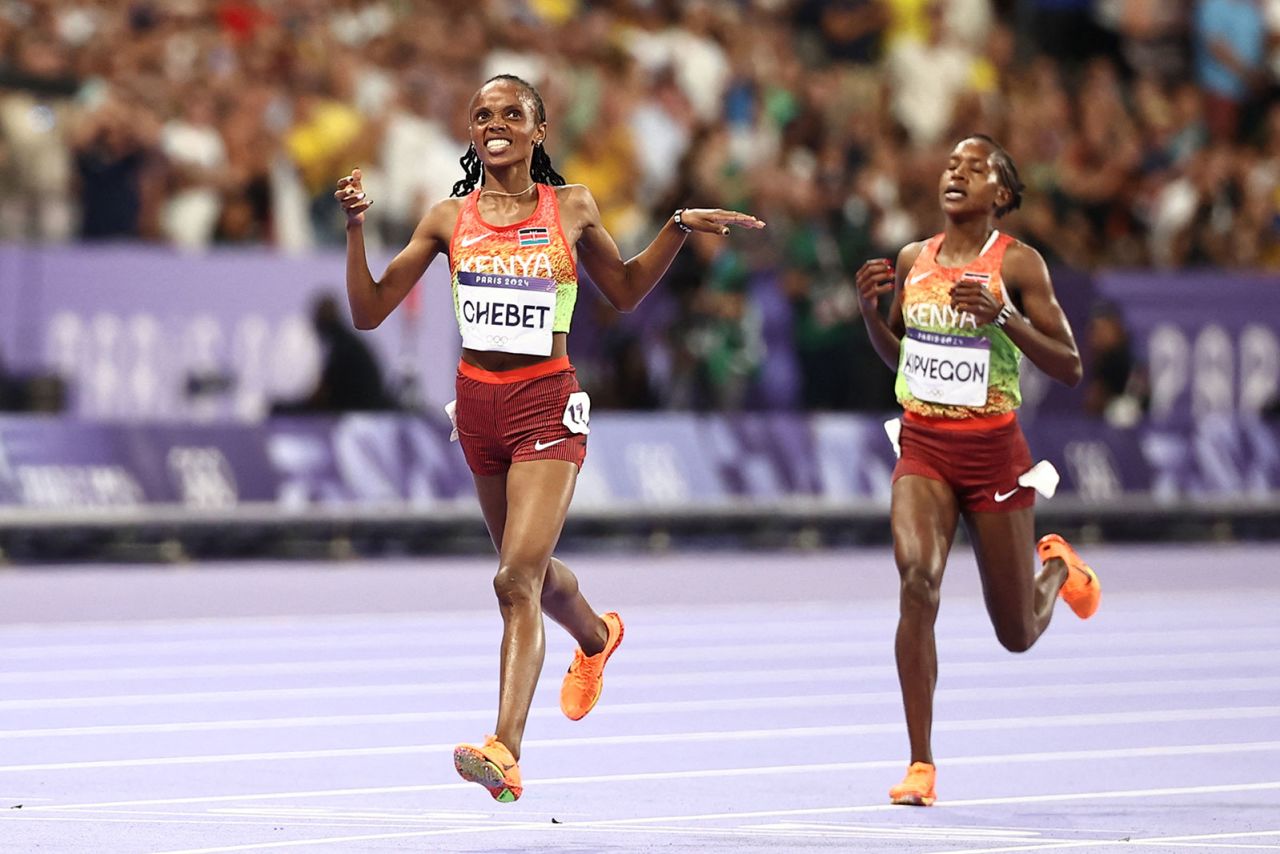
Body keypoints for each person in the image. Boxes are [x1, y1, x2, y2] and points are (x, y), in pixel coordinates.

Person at [335, 74, 764, 802]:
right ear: (471, 133)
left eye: (510, 112)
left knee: (513, 581)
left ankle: (504, 747)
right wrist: (354, 230)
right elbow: (370, 311)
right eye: (481, 114)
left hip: (544, 406)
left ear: (539, 131)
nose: (493, 122)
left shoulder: (571, 206)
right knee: (528, 573)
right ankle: (595, 637)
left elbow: (624, 292)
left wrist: (678, 227)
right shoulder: (446, 218)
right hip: (476, 409)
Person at [854, 134, 1101, 807]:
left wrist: (1008, 316)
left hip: (994, 454)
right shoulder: (914, 259)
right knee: (917, 582)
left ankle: (1059, 570)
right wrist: (872, 316)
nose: (956, 173)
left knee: (1016, 633)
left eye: (975, 167)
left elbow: (1070, 365)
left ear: (1002, 195)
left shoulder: (1018, 264)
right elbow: (902, 356)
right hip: (924, 447)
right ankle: (920, 765)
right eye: (951, 165)